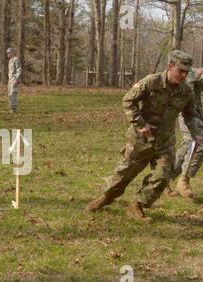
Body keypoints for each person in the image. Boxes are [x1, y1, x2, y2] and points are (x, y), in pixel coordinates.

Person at [85, 50, 202, 222]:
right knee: (124, 175)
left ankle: (137, 205)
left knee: (163, 176)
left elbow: (190, 114)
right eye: (181, 70)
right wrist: (141, 124)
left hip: (165, 142)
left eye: (187, 72)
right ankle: (105, 197)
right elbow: (128, 101)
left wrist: (197, 133)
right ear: (170, 66)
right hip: (141, 139)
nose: (184, 75)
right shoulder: (151, 82)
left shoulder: (186, 92)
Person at [165, 67, 203, 198]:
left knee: (188, 145)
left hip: (198, 115)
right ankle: (184, 180)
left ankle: (165, 179)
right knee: (199, 143)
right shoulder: (189, 73)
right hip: (188, 114)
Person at [6, 48, 22, 115]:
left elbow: (19, 69)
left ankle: (13, 109)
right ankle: (11, 108)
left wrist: (16, 79)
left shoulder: (16, 59)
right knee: (9, 94)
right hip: (10, 79)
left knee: (13, 93)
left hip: (14, 79)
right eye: (7, 53)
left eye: (9, 53)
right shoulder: (10, 61)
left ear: (12, 53)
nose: (7, 54)